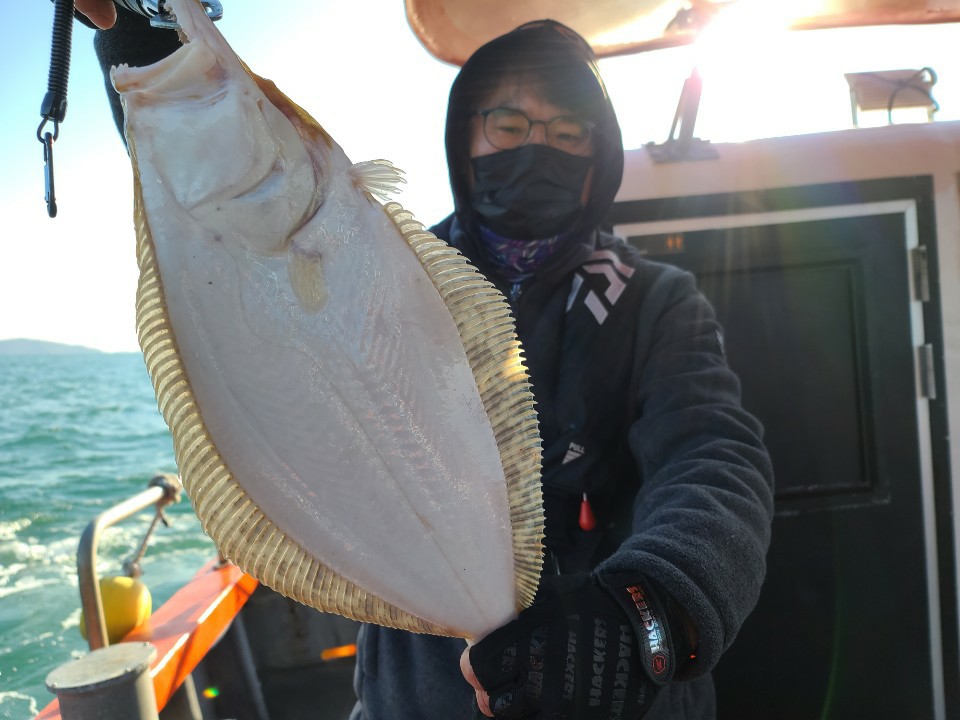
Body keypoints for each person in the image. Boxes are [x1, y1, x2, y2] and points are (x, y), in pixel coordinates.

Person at [84, 5, 774, 718]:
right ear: (465, 137)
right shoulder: (378, 258)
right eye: (509, 124)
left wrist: (646, 610)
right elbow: (211, 209)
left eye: (569, 132)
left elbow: (712, 456)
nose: (538, 147)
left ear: (597, 160)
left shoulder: (657, 300)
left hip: (614, 688)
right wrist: (141, 33)